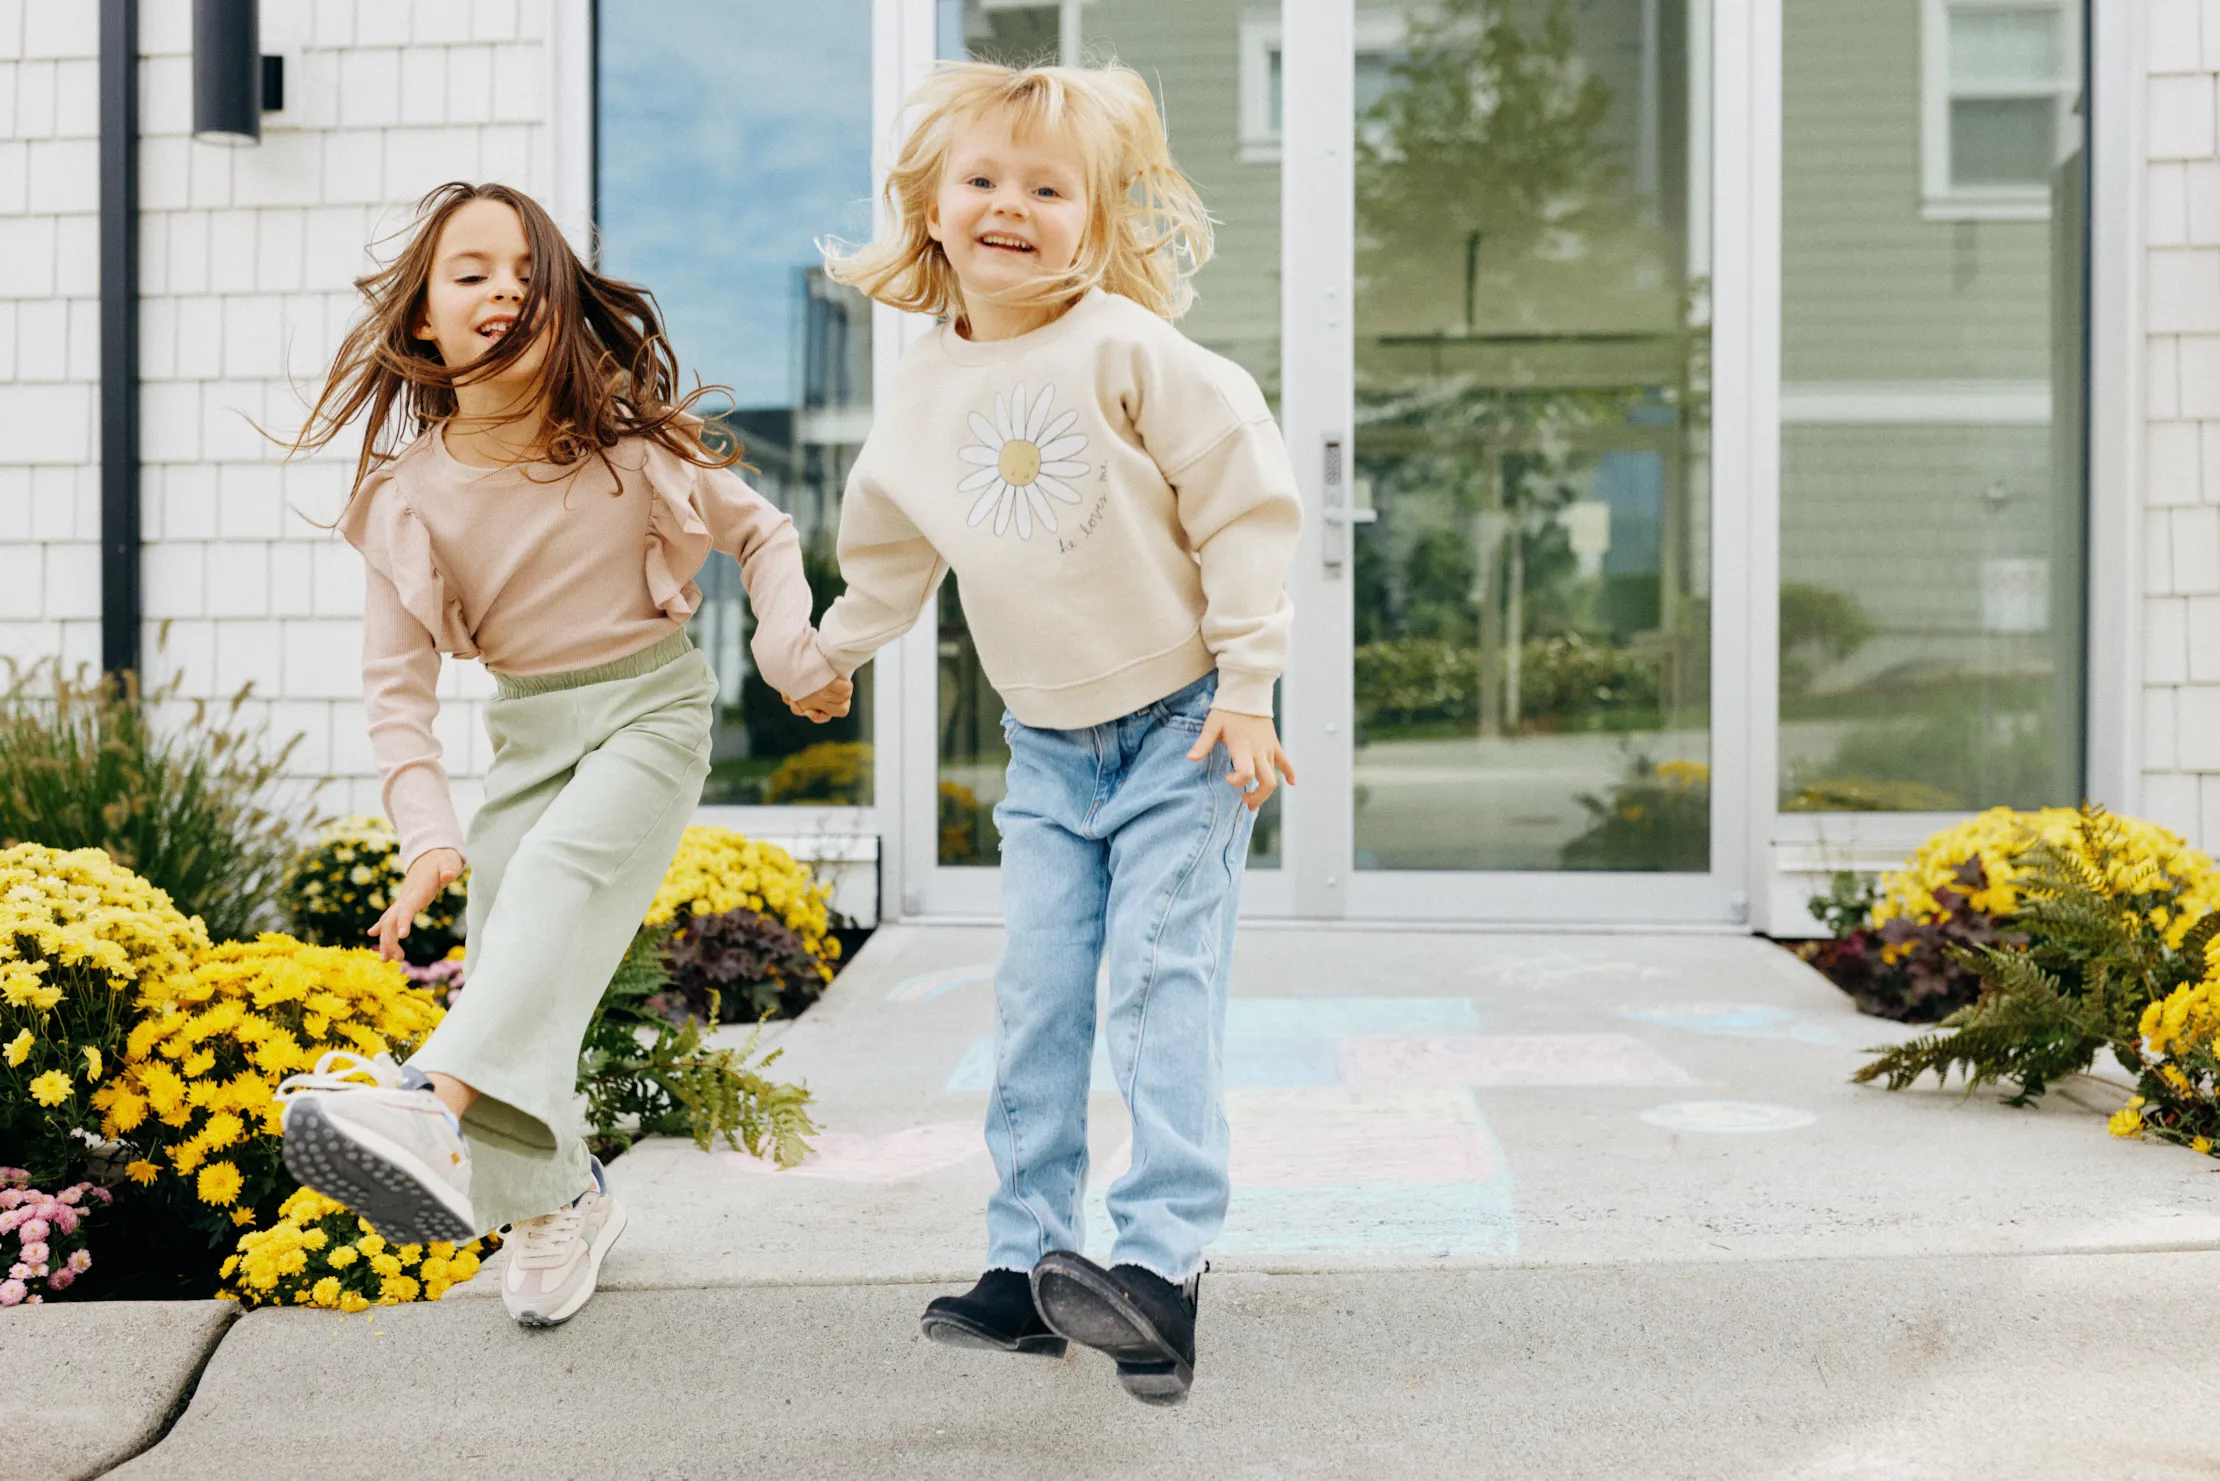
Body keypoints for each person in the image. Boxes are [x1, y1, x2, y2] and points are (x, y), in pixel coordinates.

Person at [270, 182, 851, 1328]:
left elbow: (762, 530)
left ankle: (427, 1104)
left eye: (531, 278)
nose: (505, 292)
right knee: (508, 956)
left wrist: (790, 649)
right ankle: (561, 1198)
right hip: (528, 732)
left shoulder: (627, 443)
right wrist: (430, 835)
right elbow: (396, 693)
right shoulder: (405, 496)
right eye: (472, 273)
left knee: (556, 878)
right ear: (422, 320)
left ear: (568, 312)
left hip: (651, 709)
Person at [814, 62, 1302, 1405]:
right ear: (930, 208)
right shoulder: (920, 393)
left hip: (1188, 727)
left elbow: (1245, 500)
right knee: (1034, 996)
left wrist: (1252, 686)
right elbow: (889, 555)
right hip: (1048, 749)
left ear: (1098, 219)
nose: (1010, 207)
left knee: (1157, 985)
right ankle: (1029, 1267)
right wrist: (830, 654)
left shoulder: (1128, 349)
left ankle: (1158, 1270)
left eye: (1047, 188)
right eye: (982, 181)